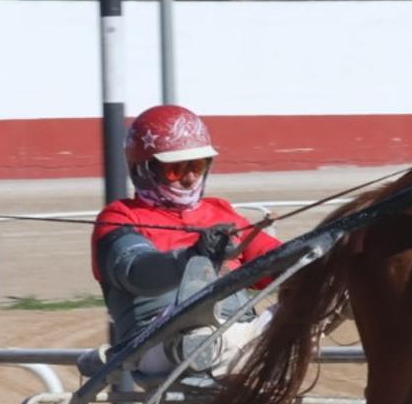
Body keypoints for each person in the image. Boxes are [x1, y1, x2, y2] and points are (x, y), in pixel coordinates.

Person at [91, 104, 282, 379]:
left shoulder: (220, 212)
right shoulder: (119, 218)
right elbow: (136, 271)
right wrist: (194, 256)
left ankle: (255, 345)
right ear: (144, 169)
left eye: (197, 166)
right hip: (159, 344)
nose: (190, 177)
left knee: (318, 299)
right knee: (197, 333)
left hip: (240, 331)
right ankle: (231, 346)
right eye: (175, 170)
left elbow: (276, 260)